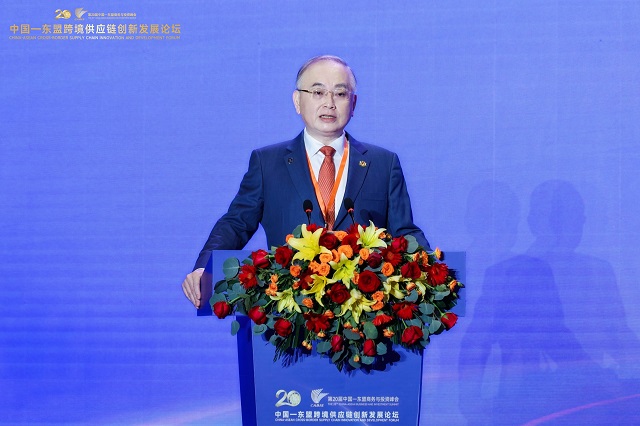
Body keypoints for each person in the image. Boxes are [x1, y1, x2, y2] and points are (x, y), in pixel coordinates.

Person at [182, 55, 429, 308]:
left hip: (363, 311)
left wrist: (431, 271)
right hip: (288, 312)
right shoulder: (267, 163)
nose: (329, 103)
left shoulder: (383, 163)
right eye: (318, 92)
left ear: (353, 103)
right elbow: (236, 223)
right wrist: (205, 267)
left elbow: (404, 232)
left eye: (340, 94)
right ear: (297, 101)